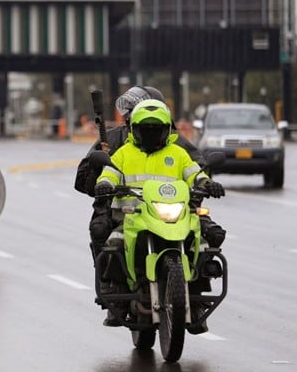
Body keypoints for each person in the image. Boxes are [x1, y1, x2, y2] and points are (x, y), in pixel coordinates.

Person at [93, 99, 226, 330]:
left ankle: (197, 300)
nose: (151, 134)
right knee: (113, 244)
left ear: (166, 130)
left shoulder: (178, 153)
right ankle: (117, 298)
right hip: (131, 217)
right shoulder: (123, 153)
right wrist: (104, 184)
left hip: (175, 215)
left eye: (156, 129)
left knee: (203, 244)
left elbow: (195, 174)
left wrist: (208, 184)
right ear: (134, 130)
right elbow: (109, 174)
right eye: (145, 129)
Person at [75, 85, 226, 261]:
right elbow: (84, 183)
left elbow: (198, 172)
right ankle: (108, 271)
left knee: (210, 234)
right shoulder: (113, 139)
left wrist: (205, 186)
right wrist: (99, 173)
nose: (150, 131)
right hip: (123, 210)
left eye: (156, 127)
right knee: (100, 230)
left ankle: (200, 269)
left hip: (172, 210)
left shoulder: (176, 145)